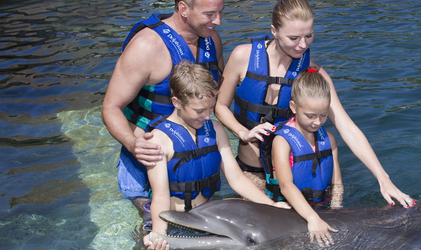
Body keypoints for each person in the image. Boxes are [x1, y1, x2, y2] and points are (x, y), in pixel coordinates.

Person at [214, 0, 415, 208]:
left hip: (294, 174)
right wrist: (242, 132)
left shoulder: (312, 73)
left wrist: (384, 179)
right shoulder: (243, 56)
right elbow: (220, 106)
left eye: (308, 35)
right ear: (274, 30)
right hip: (252, 170)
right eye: (293, 37)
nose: (302, 45)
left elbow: (347, 128)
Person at [142, 61, 289, 250]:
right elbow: (160, 196)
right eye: (199, 111)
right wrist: (160, 236)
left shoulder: (215, 130)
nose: (207, 116)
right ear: (176, 102)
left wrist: (270, 205)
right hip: (171, 220)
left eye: (210, 108)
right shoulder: (157, 140)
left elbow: (236, 178)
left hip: (204, 219)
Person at [101, 0, 225, 215]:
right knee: (152, 230)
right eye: (210, 14)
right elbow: (110, 107)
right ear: (184, 8)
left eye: (221, 12)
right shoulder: (146, 46)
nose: (218, 21)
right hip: (149, 158)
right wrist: (133, 144)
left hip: (192, 160)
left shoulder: (211, 40)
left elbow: (215, 93)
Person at [261, 68, 342, 247]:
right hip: (288, 211)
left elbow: (337, 182)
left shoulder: (328, 138)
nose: (317, 122)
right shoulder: (282, 142)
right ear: (293, 107)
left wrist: (337, 210)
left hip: (322, 206)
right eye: (310, 116)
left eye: (323, 115)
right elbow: (286, 186)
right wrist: (312, 217)